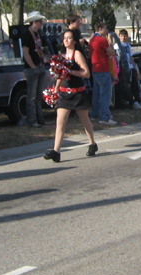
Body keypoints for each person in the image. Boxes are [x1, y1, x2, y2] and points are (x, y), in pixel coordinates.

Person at [43, 29, 97, 162]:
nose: (66, 40)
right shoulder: (61, 56)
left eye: (69, 38)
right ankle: (56, 151)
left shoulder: (77, 54)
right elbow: (60, 74)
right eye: (64, 38)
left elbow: (86, 74)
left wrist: (71, 71)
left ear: (74, 41)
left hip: (78, 93)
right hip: (64, 94)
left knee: (85, 120)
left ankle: (92, 144)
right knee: (60, 122)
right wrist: (56, 89)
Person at [20, 11, 48, 128]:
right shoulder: (27, 34)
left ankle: (40, 119)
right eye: (39, 21)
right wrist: (32, 66)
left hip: (40, 65)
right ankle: (32, 120)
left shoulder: (39, 34)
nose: (41, 23)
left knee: (38, 95)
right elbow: (25, 53)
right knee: (31, 96)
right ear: (34, 22)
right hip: (32, 68)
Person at [88, 21, 118, 126]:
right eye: (105, 29)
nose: (107, 31)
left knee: (96, 93)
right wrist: (110, 41)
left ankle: (94, 114)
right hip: (103, 69)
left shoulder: (92, 40)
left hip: (95, 69)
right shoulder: (101, 40)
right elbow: (112, 52)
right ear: (100, 29)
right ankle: (104, 117)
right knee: (105, 93)